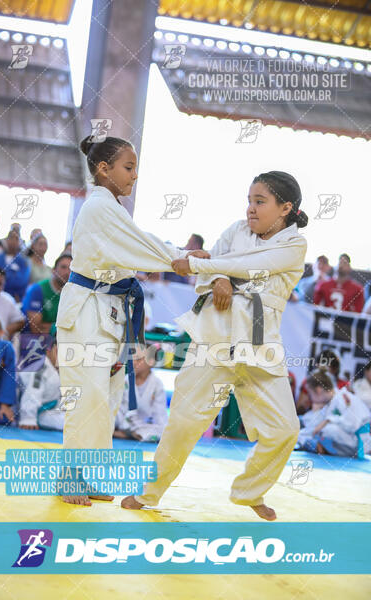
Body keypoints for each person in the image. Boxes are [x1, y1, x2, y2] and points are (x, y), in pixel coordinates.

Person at [122, 170, 308, 521]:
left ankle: (250, 491)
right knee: (184, 421)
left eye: (260, 201)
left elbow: (251, 266)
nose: (251, 209)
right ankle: (148, 492)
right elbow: (217, 265)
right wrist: (216, 276)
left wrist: (200, 263)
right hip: (215, 338)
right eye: (249, 200)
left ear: (285, 208)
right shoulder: (236, 230)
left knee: (285, 429)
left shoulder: (294, 245)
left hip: (259, 344)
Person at [56, 136, 209, 506]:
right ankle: (69, 475)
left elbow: (139, 241)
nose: (135, 175)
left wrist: (180, 255)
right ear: (103, 168)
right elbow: (141, 243)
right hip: (85, 308)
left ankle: (90, 474)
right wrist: (180, 256)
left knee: (106, 397)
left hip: (107, 310)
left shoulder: (111, 208)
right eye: (128, 167)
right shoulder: (98, 206)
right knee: (86, 393)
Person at [298, 370, 371, 457]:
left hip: (360, 443)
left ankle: (324, 449)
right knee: (310, 433)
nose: (310, 398)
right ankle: (322, 448)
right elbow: (314, 425)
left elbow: (353, 424)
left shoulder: (344, 398)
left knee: (328, 430)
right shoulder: (331, 402)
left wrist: (328, 421)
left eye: (310, 394)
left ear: (318, 390)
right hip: (350, 440)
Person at [114, 344, 168, 442]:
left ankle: (128, 434)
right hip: (123, 423)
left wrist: (163, 431)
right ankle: (125, 433)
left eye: (138, 359)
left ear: (151, 361)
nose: (134, 363)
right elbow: (122, 411)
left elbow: (160, 415)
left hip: (145, 425)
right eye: (132, 359)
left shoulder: (157, 384)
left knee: (161, 433)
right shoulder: (125, 381)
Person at [18, 338, 64, 431]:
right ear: (48, 351)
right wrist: (28, 418)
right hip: (37, 412)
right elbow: (33, 392)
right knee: (67, 423)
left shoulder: (59, 370)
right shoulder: (41, 368)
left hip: (51, 409)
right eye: (59, 352)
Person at [22, 254, 71, 334]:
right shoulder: (37, 289)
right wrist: (59, 329)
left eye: (71, 269)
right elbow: (36, 328)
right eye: (63, 267)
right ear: (53, 270)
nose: (67, 272)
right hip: (31, 342)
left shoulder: (73, 294)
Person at [296, 349, 349, 415]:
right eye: (319, 367)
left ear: (335, 369)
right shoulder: (309, 382)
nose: (322, 371)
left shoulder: (344, 386)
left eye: (326, 368)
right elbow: (300, 407)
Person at [0, 229, 31, 302]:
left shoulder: (24, 262)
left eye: (16, 239)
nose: (13, 241)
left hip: (15, 300)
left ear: (20, 242)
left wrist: (1, 278)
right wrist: (11, 275)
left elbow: (21, 282)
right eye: (11, 238)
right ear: (6, 240)